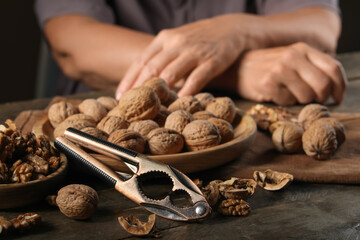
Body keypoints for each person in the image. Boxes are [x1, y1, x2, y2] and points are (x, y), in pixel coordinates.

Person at [35, 0, 347, 105]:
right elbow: (73, 44)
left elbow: (320, 25)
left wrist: (239, 29)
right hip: (105, 123)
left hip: (247, 122)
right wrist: (235, 71)